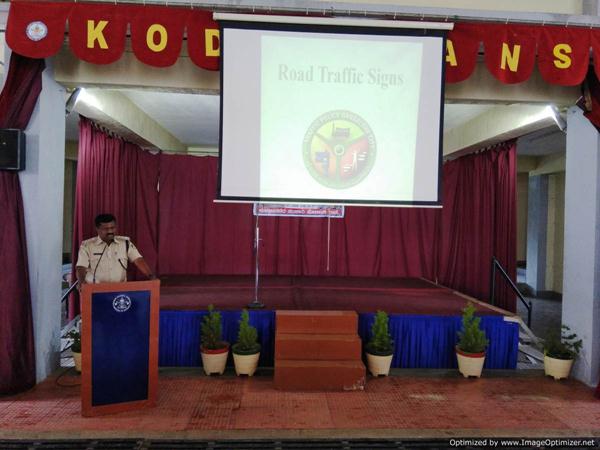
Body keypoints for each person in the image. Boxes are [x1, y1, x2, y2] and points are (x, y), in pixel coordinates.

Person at [76, 213, 155, 289]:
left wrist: (150, 276)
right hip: (94, 290)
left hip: (119, 290)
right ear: (97, 229)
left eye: (112, 228)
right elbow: (81, 267)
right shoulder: (87, 246)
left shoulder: (125, 243)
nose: (110, 231)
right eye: (106, 229)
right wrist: (81, 282)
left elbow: (138, 260)